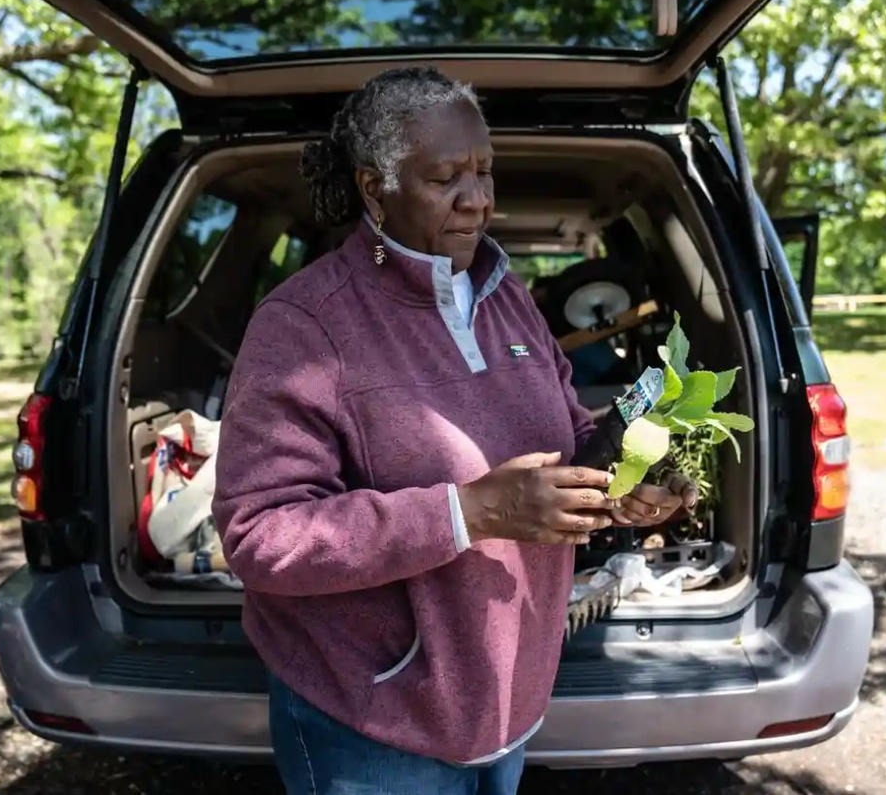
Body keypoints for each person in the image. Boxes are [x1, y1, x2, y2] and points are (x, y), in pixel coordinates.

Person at [212, 66, 696, 795]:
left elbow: (566, 431)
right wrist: (468, 510)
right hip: (374, 720)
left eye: (484, 171)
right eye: (446, 178)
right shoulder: (305, 325)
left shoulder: (508, 299)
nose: (478, 200)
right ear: (376, 188)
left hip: (508, 699)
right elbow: (259, 535)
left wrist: (623, 482)